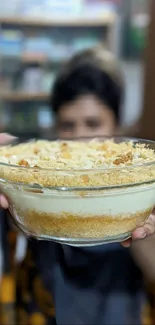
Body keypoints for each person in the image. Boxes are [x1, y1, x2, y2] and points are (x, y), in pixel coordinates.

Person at [1, 46, 155, 325]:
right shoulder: (38, 174)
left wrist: (144, 228)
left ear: (117, 125)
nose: (79, 138)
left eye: (93, 123)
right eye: (67, 125)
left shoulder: (139, 179)